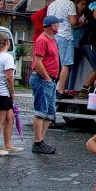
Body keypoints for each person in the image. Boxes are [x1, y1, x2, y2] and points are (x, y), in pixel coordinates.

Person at [30, 16, 61, 155]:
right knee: (40, 112)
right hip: (42, 80)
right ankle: (37, 142)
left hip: (50, 81)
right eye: (57, 24)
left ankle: (41, 141)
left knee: (49, 113)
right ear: (52, 26)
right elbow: (38, 62)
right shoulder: (42, 40)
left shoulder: (52, 39)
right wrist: (47, 78)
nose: (59, 26)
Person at [47, 0, 79, 96]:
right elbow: (73, 22)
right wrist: (80, 21)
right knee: (66, 63)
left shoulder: (52, 5)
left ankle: (50, 86)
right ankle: (60, 90)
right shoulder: (70, 4)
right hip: (65, 35)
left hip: (53, 35)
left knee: (53, 62)